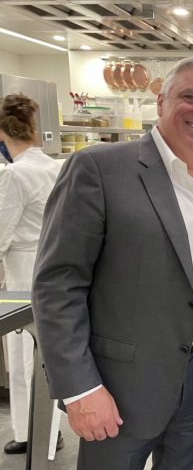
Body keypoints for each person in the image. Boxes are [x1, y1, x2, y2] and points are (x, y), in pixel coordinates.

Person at [31, 57, 193, 470]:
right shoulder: (100, 168)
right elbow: (58, 283)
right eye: (190, 96)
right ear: (161, 102)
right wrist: (80, 389)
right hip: (119, 386)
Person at [0, 93, 63, 459]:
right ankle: (51, 426)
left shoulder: (14, 175)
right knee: (48, 354)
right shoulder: (55, 167)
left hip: (24, 269)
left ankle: (27, 432)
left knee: (24, 353)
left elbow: (1, 233)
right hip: (54, 265)